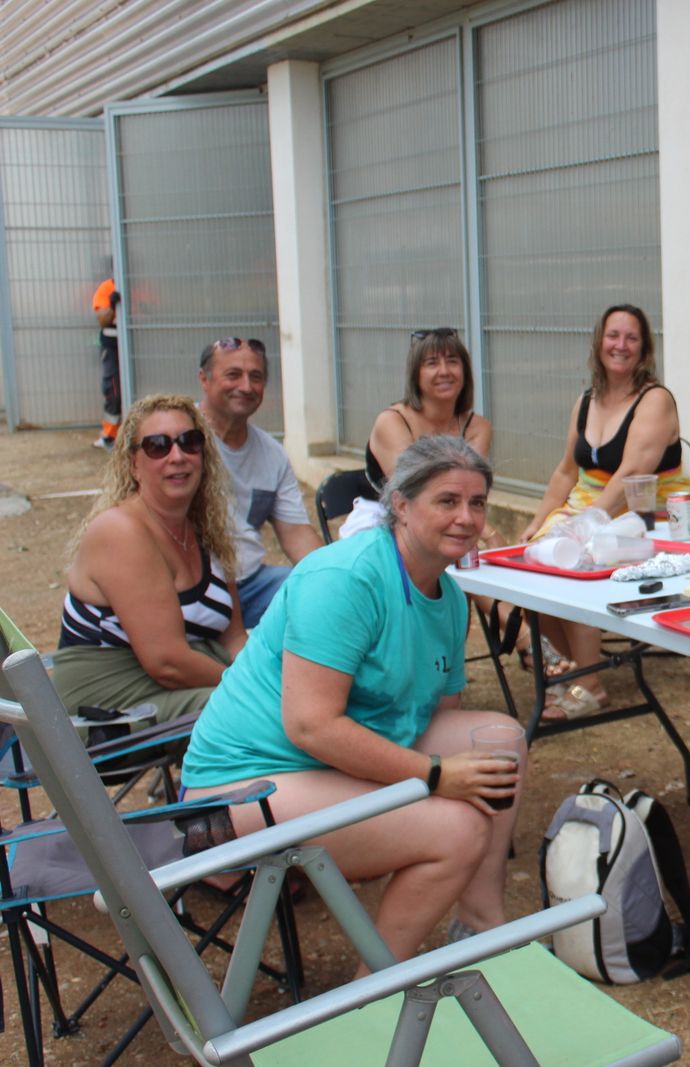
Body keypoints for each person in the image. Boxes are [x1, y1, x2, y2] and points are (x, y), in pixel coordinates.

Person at [181, 436, 524, 964]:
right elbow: (311, 727)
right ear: (402, 506)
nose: (466, 517)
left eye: (477, 503)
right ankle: (375, 988)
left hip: (324, 762)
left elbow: (440, 717)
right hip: (245, 782)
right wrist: (432, 777)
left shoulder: (448, 598)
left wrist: (434, 779)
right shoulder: (345, 578)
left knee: (500, 741)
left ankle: (480, 922)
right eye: (447, 501)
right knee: (457, 828)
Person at [517, 304, 690, 718]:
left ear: (644, 348)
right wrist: (539, 522)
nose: (621, 345)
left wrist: (580, 527)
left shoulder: (655, 400)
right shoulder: (586, 400)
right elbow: (565, 471)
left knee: (575, 563)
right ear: (599, 342)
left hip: (650, 517)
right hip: (592, 513)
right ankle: (575, 670)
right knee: (530, 566)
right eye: (613, 335)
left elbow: (632, 473)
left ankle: (590, 685)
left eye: (632, 337)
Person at [54, 394, 245, 721]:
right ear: (132, 464)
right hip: (105, 706)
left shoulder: (205, 530)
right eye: (158, 446)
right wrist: (251, 686)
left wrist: (268, 677)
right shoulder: (121, 531)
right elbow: (167, 663)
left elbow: (235, 637)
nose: (178, 456)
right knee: (259, 711)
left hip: (181, 688)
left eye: (190, 442)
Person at [197, 337, 321, 628]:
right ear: (204, 379)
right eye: (233, 375)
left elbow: (297, 535)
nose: (246, 386)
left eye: (256, 377)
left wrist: (335, 575)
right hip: (192, 589)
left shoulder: (272, 454)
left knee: (322, 596)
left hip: (251, 584)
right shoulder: (180, 441)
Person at [338, 328, 493, 540]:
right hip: (386, 518)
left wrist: (488, 534)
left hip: (449, 517)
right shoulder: (392, 421)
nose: (444, 371)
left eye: (452, 361)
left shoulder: (478, 427)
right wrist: (488, 534)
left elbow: (469, 488)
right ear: (415, 374)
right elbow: (415, 490)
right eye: (432, 363)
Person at [91, 260, 121, 449]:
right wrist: (112, 304)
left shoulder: (141, 285)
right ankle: (110, 435)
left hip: (141, 344)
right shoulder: (106, 287)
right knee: (112, 389)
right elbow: (102, 319)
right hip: (111, 345)